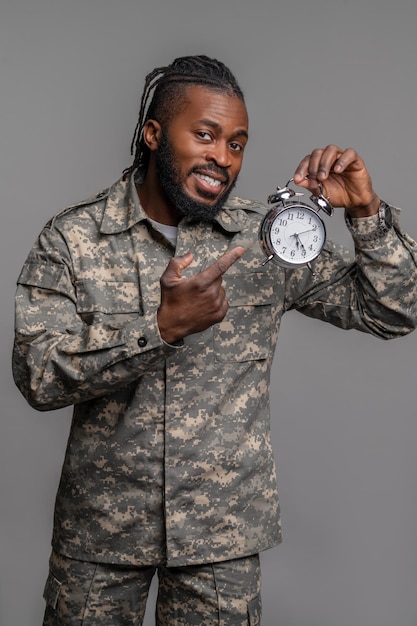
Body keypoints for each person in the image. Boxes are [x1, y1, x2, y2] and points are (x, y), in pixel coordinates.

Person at [12, 54, 417, 626]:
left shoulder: (266, 239)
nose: (223, 158)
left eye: (237, 144)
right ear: (154, 134)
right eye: (206, 135)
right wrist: (160, 329)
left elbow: (395, 311)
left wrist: (368, 215)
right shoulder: (73, 239)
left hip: (221, 543)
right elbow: (37, 375)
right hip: (100, 538)